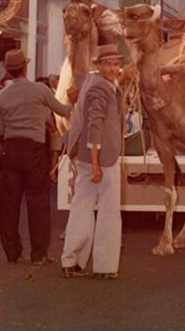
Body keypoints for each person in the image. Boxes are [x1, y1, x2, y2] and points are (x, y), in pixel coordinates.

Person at [0, 49, 76, 264]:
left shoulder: (1, 96)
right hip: (34, 149)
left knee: (9, 203)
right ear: (26, 67)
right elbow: (64, 111)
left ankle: (12, 252)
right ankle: (39, 254)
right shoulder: (40, 89)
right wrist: (73, 100)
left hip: (10, 149)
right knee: (38, 201)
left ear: (9, 72)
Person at [61, 45, 124, 279]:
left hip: (85, 157)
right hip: (102, 159)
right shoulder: (101, 88)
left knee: (81, 207)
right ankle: (105, 266)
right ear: (98, 65)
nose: (113, 69)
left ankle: (72, 261)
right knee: (108, 211)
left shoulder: (91, 80)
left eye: (116, 64)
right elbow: (95, 125)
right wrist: (97, 163)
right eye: (107, 64)